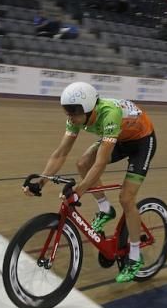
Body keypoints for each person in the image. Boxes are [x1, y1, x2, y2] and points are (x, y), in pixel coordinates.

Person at [24, 82, 157, 284]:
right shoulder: (76, 117)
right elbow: (61, 153)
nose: (70, 117)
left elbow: (101, 162)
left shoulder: (109, 113)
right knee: (82, 163)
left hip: (142, 141)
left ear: (90, 108)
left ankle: (135, 256)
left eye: (74, 112)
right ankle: (105, 209)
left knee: (126, 198)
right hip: (118, 137)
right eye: (66, 111)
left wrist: (79, 191)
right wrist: (41, 181)